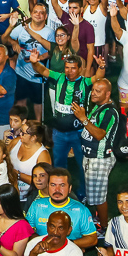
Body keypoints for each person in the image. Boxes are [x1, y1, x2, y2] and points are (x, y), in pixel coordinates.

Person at [28, 51, 105, 198]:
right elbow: (42, 70)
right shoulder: (59, 77)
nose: (69, 71)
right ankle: (60, 191)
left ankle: (83, 192)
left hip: (79, 132)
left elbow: (98, 78)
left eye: (73, 68)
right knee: (58, 164)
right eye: (67, 67)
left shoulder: (84, 82)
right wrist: (34, 62)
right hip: (59, 132)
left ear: (80, 69)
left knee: (83, 165)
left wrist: (101, 66)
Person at [74, 78, 120, 227]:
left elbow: (100, 134)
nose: (92, 94)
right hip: (90, 156)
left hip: (99, 159)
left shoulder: (110, 112)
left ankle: (104, 226)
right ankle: (98, 218)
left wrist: (83, 119)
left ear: (107, 94)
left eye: (97, 91)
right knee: (93, 193)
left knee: (99, 197)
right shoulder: (98, 107)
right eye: (93, 90)